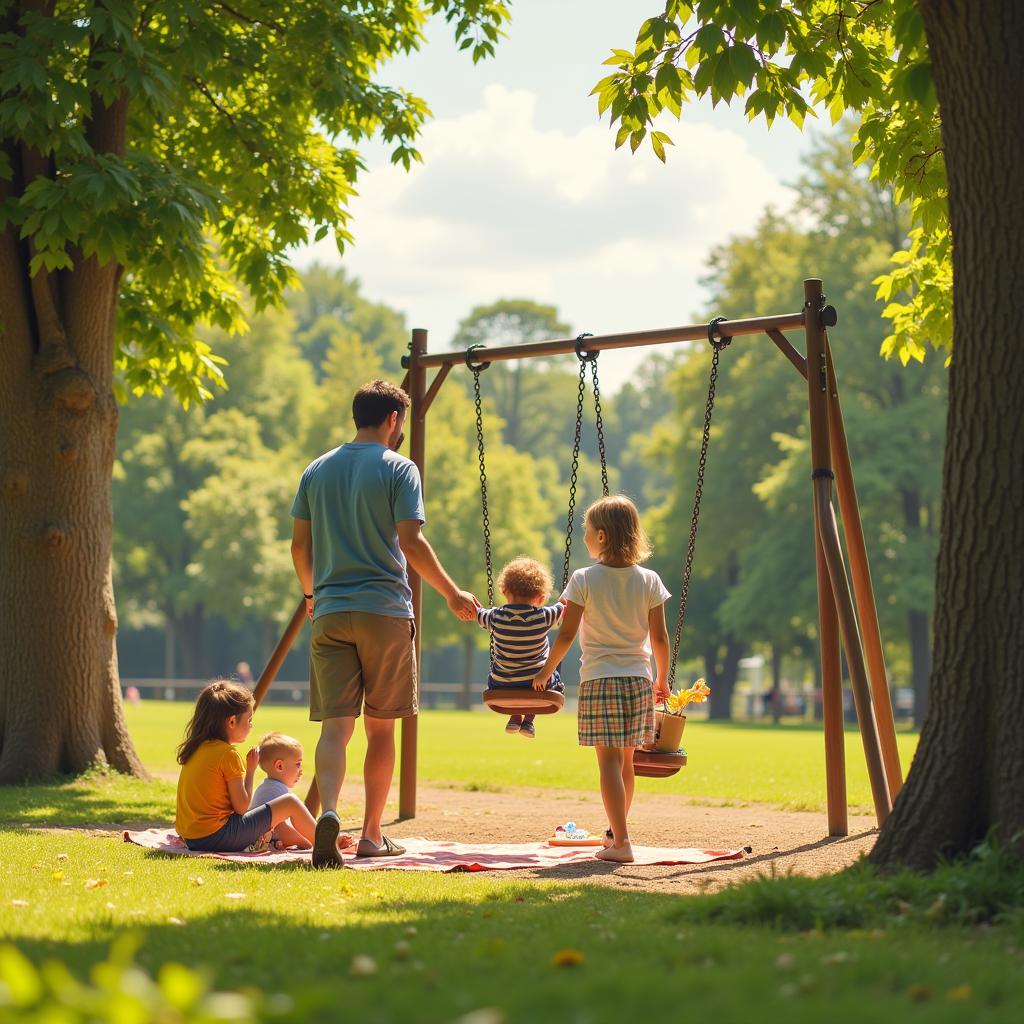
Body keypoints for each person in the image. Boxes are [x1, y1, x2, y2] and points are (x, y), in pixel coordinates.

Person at [291, 379, 478, 869]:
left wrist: (312, 594)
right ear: (394, 420)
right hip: (385, 612)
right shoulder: (400, 469)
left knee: (335, 729)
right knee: (381, 731)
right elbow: (411, 543)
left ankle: (329, 812)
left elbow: (298, 548)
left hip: (329, 611)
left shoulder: (316, 470)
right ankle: (372, 834)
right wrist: (452, 592)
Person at [532, 495, 670, 864]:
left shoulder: (583, 579)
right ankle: (614, 834)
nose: (584, 539)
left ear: (603, 537)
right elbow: (659, 637)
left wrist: (547, 670)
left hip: (601, 680)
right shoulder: (649, 579)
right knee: (626, 762)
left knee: (607, 762)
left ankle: (622, 842)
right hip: (639, 680)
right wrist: (662, 678)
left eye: (587, 532)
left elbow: (565, 635)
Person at [174, 681, 344, 856]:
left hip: (192, 838)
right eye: (249, 720)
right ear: (232, 721)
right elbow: (241, 807)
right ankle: (329, 844)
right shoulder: (228, 755)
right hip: (216, 837)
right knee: (289, 802)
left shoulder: (197, 748)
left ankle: (303, 839)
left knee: (270, 817)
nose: (250, 726)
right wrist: (251, 771)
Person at [477, 556, 565, 739]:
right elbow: (563, 607)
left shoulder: (495, 617)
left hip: (501, 684)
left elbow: (477, 614)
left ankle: (515, 716)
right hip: (538, 684)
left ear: (505, 590)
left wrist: (473, 608)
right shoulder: (544, 616)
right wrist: (565, 600)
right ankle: (529, 720)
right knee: (551, 672)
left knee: (510, 678)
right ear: (541, 598)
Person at [250, 733, 355, 852]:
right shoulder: (274, 791)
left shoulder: (270, 787)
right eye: (298, 764)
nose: (301, 771)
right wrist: (307, 842)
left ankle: (326, 840)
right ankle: (326, 842)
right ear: (279, 766)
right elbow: (282, 830)